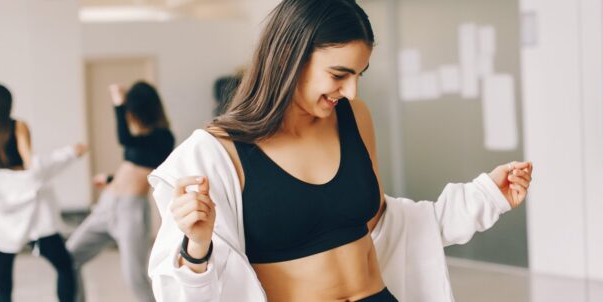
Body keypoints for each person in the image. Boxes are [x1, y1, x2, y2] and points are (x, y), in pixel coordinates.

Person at [146, 0, 534, 301]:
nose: (350, 92)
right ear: (287, 58)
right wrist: (196, 246)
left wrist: (484, 196)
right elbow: (184, 287)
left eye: (358, 75)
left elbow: (387, 224)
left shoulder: (353, 118)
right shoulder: (217, 155)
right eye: (339, 74)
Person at [0, 83, 87, 302]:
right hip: (31, 213)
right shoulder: (17, 127)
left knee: (2, 288)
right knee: (64, 266)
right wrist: (70, 153)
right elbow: (33, 169)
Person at [66, 81, 174, 302]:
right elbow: (135, 167)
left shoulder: (163, 137)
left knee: (135, 277)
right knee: (69, 256)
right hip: (108, 204)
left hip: (130, 211)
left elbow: (127, 143)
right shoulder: (142, 138)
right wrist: (109, 179)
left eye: (131, 111)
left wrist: (118, 103)